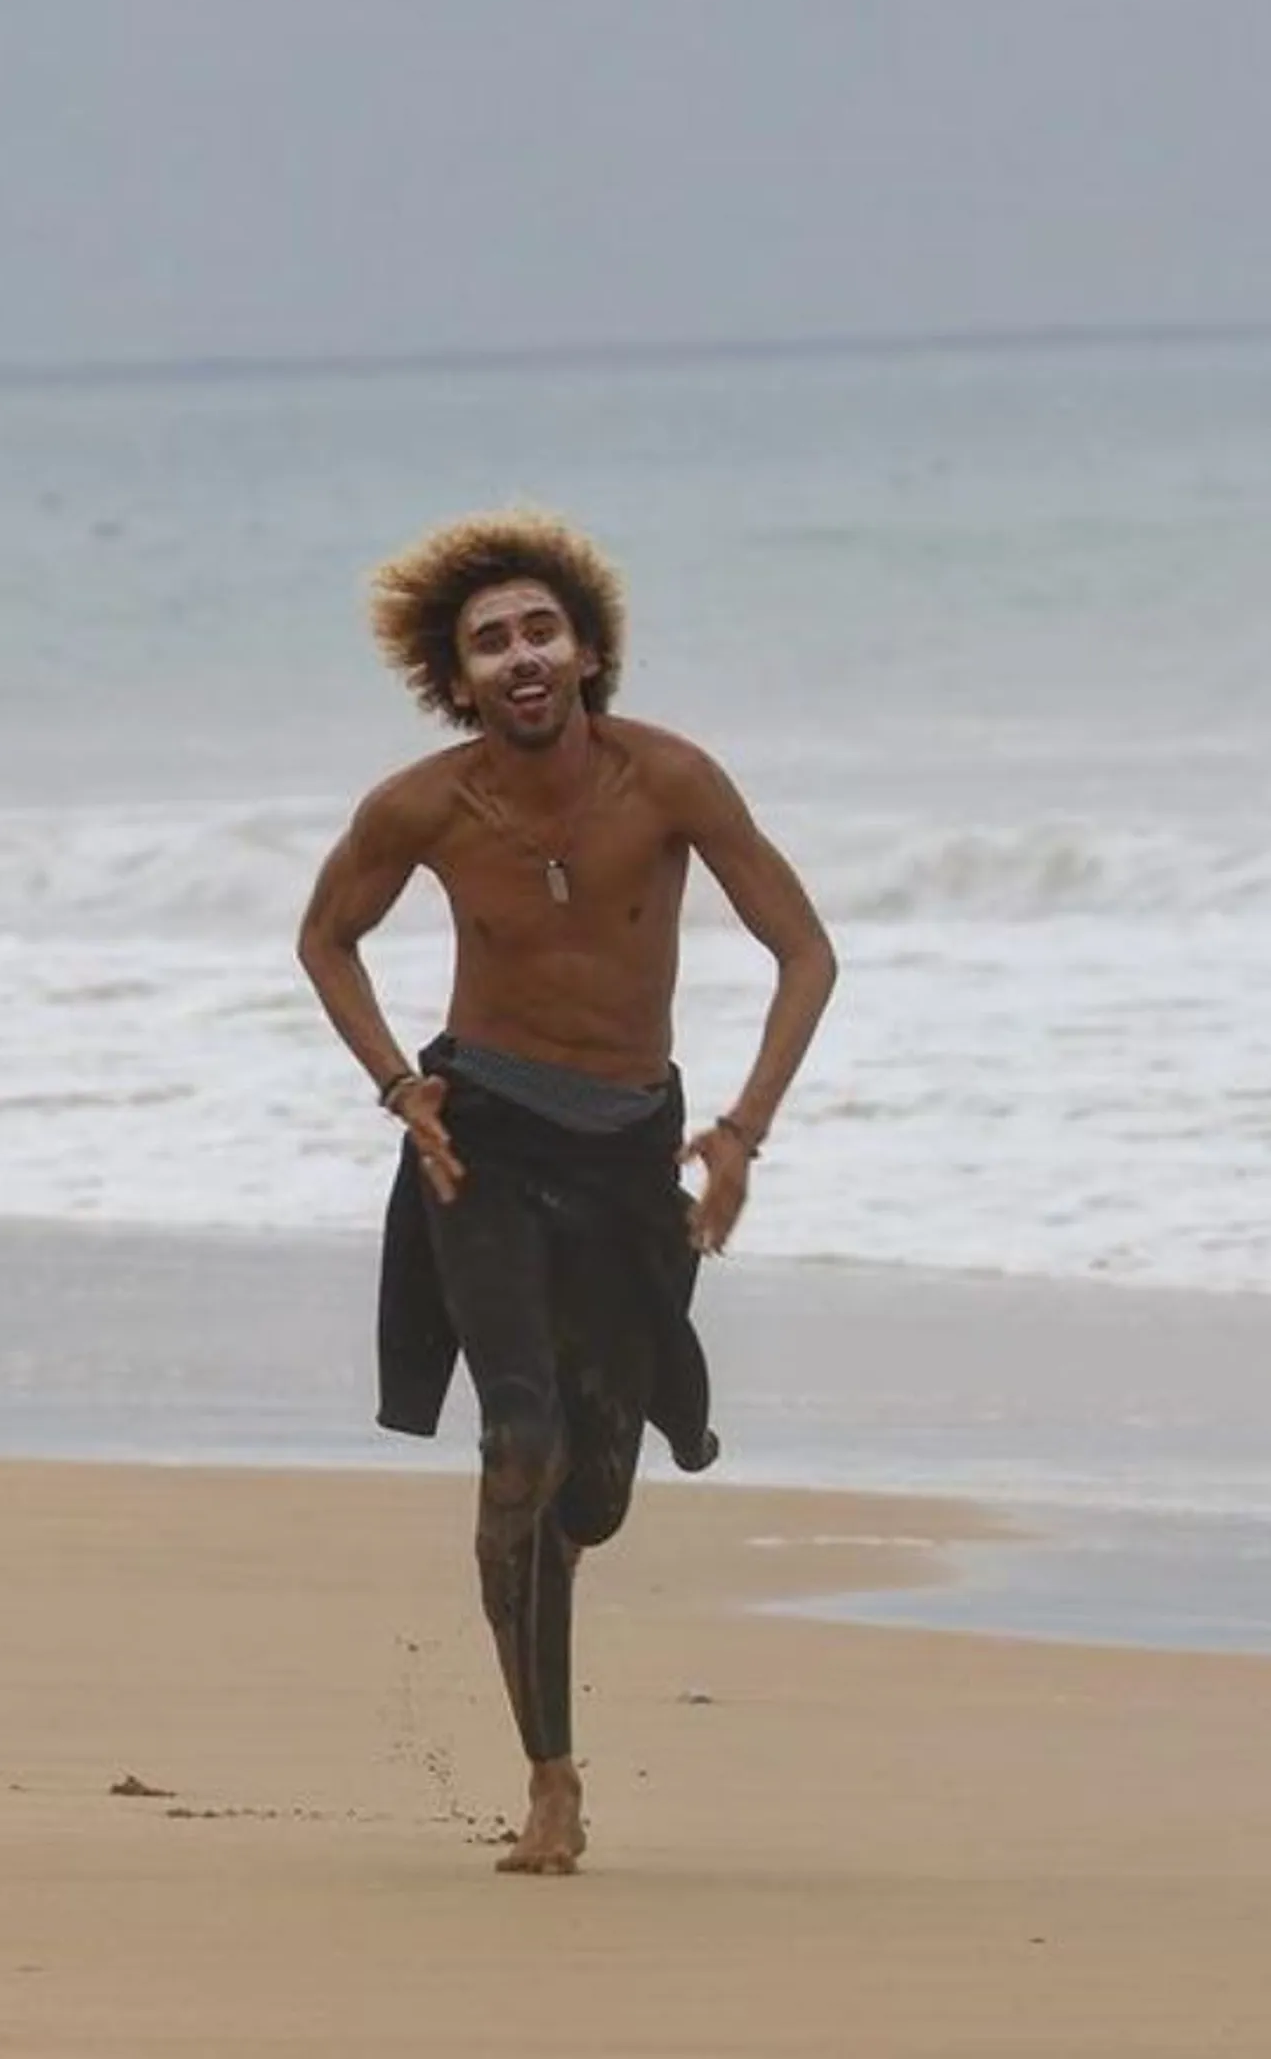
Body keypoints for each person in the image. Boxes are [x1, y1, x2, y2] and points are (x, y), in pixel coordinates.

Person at [294, 509, 837, 1876]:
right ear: (457, 677)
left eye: (542, 630)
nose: (521, 655)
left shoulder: (673, 783)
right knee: (517, 1444)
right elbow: (326, 939)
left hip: (628, 1159)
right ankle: (552, 1776)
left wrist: (740, 1135)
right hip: (480, 1143)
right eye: (491, 643)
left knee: (591, 1497)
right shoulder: (420, 806)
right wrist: (398, 1088)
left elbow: (806, 954)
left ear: (590, 651)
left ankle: (547, 1563)